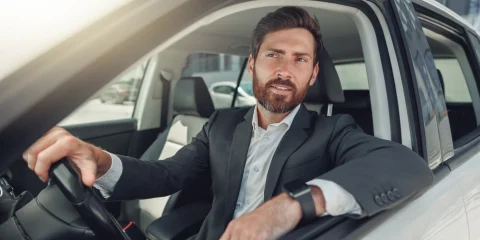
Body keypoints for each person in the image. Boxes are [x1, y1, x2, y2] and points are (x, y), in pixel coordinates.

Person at [23, 6, 434, 240]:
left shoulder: (332, 131)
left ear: (313, 76)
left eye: (300, 59)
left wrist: (288, 207)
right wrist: (96, 157)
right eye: (274, 55)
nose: (285, 70)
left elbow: (407, 166)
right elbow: (166, 175)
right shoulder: (222, 124)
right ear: (253, 65)